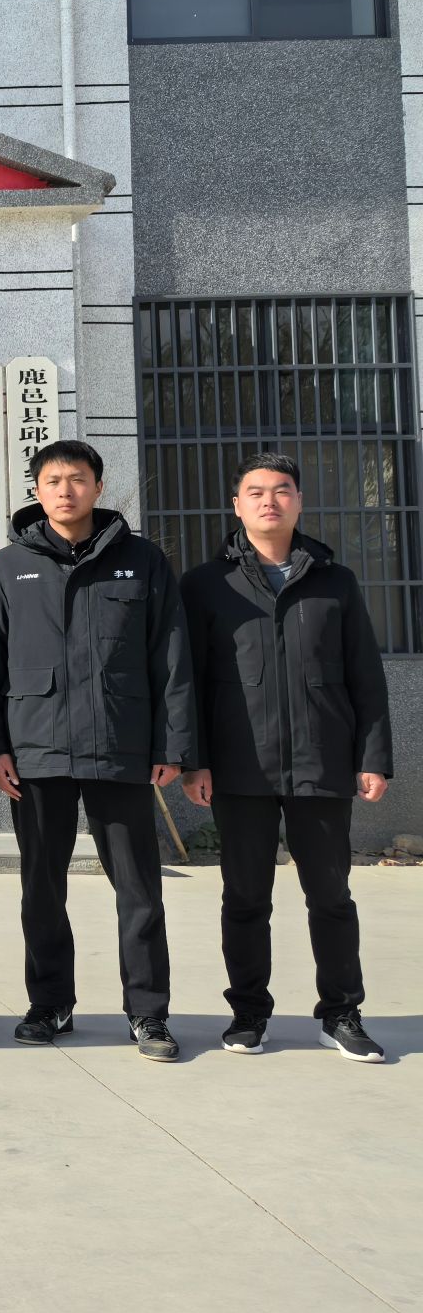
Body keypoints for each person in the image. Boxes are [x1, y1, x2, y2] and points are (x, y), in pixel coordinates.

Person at [0, 439, 194, 1062]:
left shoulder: (142, 560)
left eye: (77, 479)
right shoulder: (9, 567)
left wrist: (171, 744)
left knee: (139, 889)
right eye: (53, 480)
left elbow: (171, 657)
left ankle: (148, 1013)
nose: (65, 490)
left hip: (119, 745)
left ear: (98, 486)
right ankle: (50, 1004)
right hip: (36, 748)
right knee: (42, 888)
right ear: (36, 491)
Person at [179, 452, 392, 1062]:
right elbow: (189, 680)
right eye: (256, 491)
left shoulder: (335, 581)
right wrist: (194, 760)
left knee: (331, 896)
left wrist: (373, 756)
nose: (269, 501)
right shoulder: (206, 585)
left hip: (321, 761)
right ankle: (249, 1013)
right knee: (246, 897)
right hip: (239, 765)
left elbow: (365, 676)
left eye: (281, 490)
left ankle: (341, 1013)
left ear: (298, 501)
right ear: (236, 505)